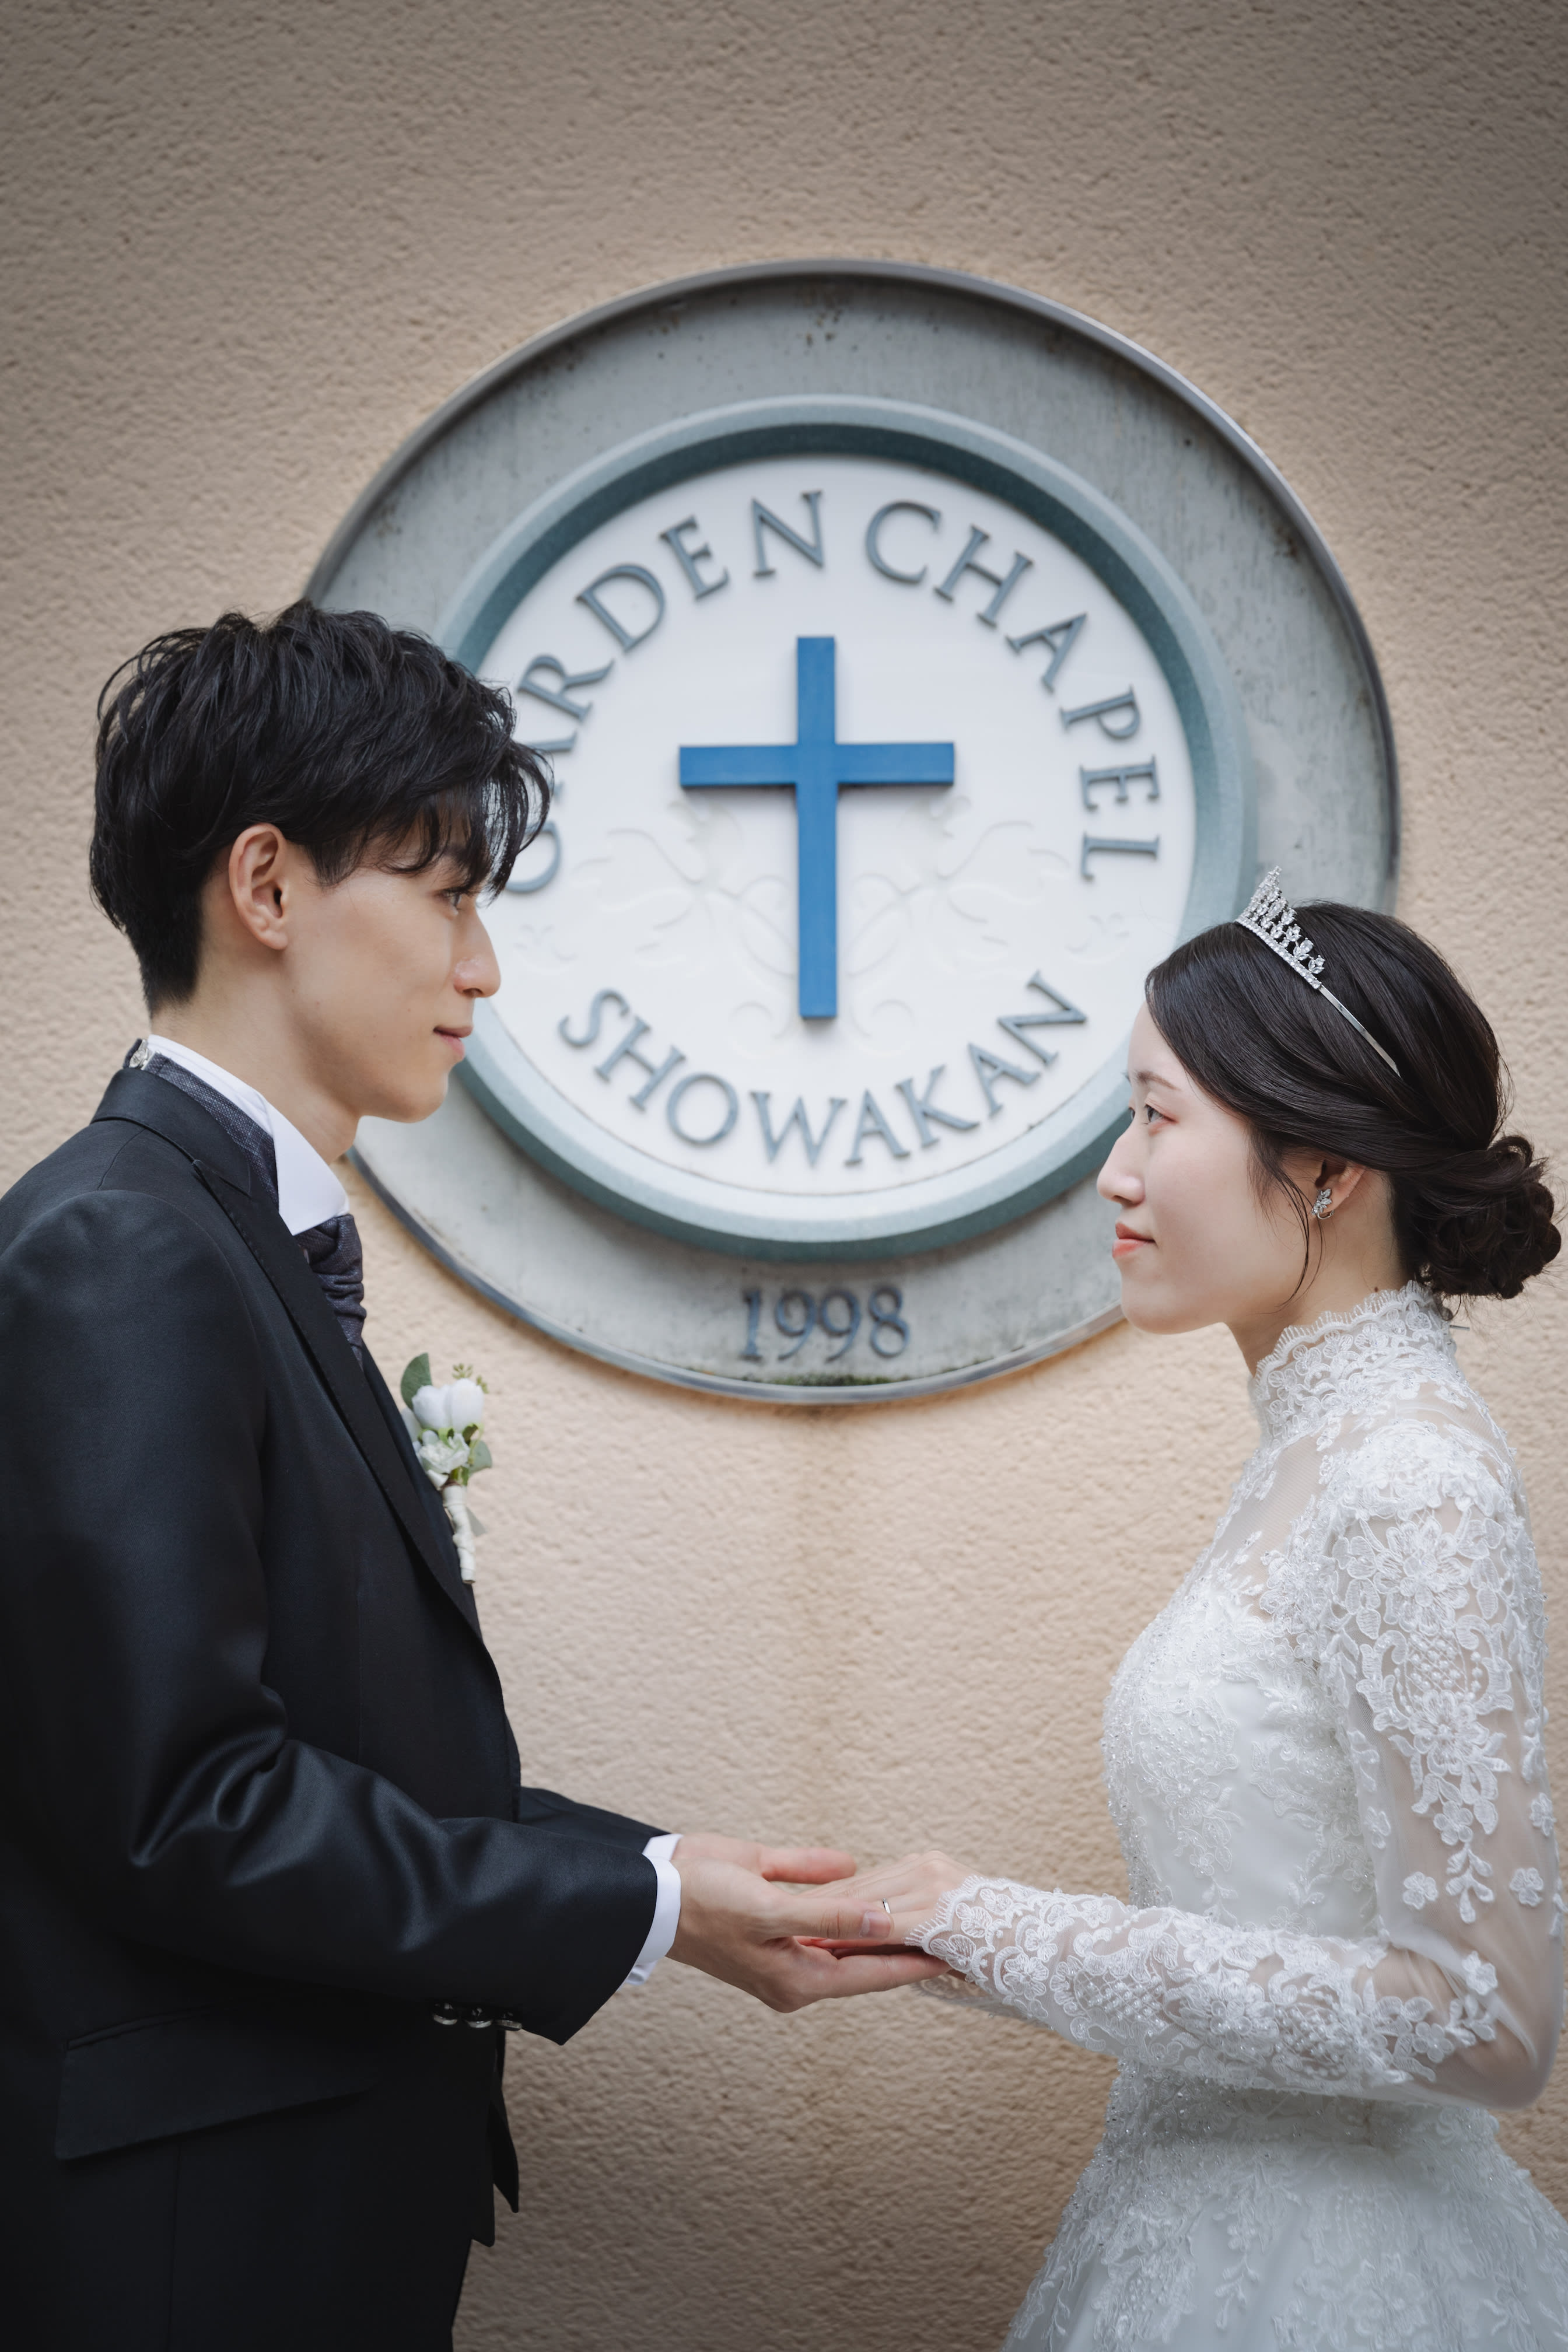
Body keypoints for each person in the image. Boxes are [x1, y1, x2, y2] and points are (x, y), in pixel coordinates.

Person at [0, 604, 943, 2352]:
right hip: (196, 2253)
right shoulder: (120, 1251)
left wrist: (668, 1879)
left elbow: (344, 1752)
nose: (484, 968)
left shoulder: (220, 1240)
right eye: (446, 895)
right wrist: (644, 1907)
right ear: (267, 886)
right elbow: (186, 1807)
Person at [832, 873, 1568, 2348]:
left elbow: (1485, 2020)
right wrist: (953, 1936)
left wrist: (997, 1928)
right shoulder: (1316, 1449)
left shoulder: (1408, 1479)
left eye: (1157, 1118)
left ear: (1325, 1166)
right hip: (1185, 2233)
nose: (1116, 1175)